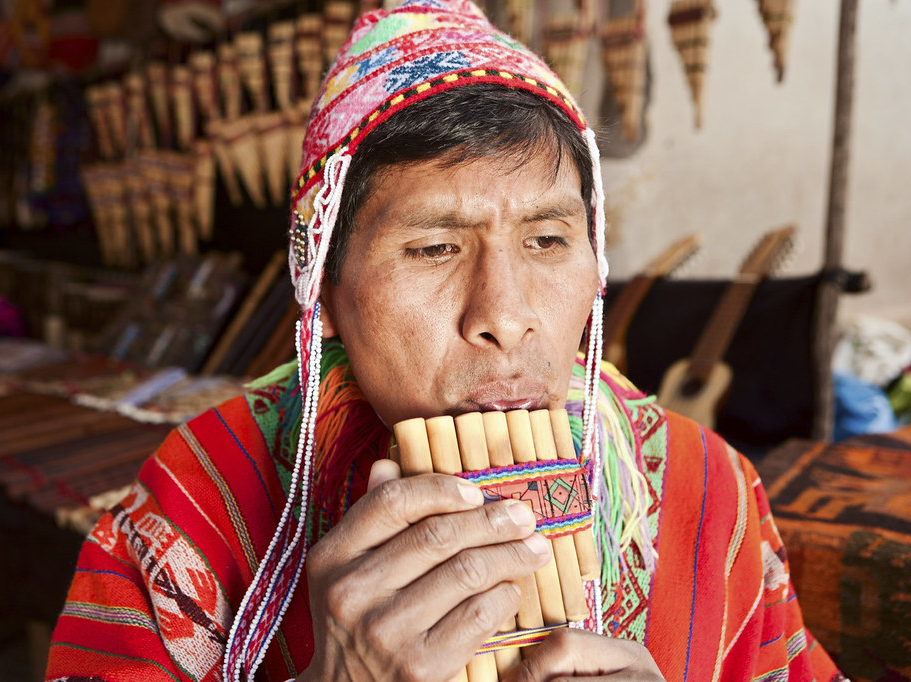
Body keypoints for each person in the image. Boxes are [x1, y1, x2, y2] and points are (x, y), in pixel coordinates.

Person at [46, 2, 846, 680]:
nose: (506, 314)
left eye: (548, 241)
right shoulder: (190, 509)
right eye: (434, 249)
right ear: (321, 288)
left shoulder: (712, 491)